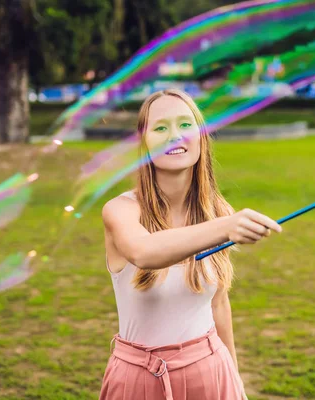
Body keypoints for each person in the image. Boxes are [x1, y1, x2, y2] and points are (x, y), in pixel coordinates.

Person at [99, 89, 282, 400]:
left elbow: (218, 304)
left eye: (186, 125)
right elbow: (143, 252)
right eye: (160, 128)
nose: (175, 136)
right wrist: (225, 226)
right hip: (138, 378)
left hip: (210, 371)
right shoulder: (120, 210)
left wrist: (234, 382)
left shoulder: (217, 212)